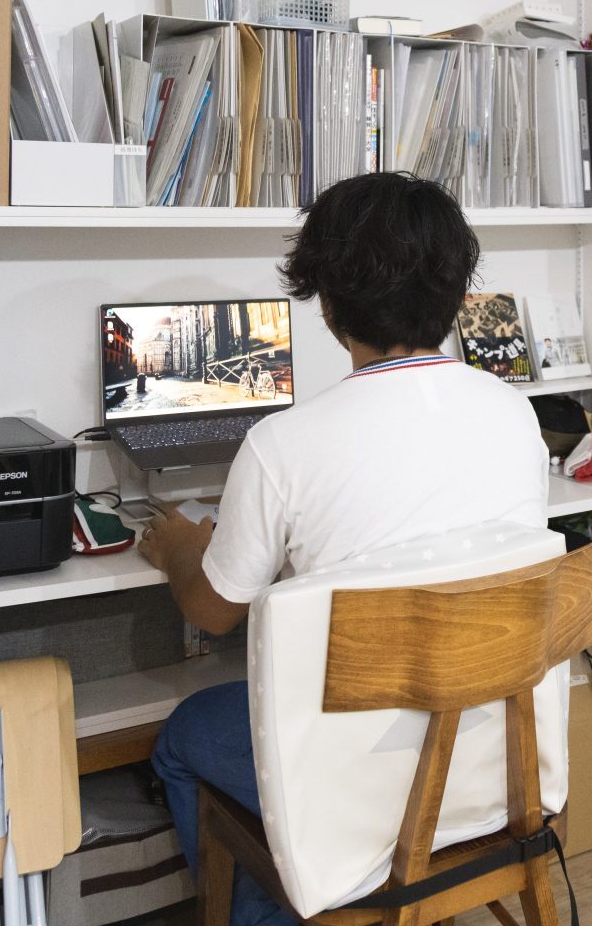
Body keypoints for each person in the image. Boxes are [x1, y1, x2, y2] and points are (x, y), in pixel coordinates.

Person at [138, 173, 549, 926]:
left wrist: (177, 549)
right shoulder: (515, 413)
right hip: (500, 771)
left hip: (356, 792)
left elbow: (213, 612)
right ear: (458, 294)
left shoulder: (282, 446)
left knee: (184, 733)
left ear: (327, 307)